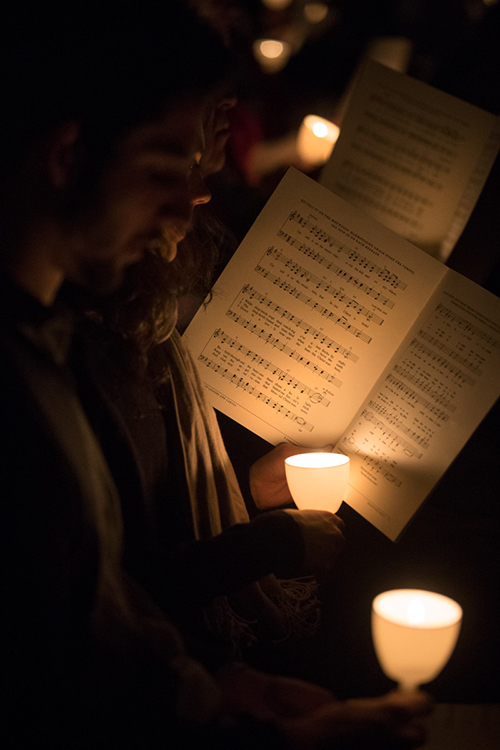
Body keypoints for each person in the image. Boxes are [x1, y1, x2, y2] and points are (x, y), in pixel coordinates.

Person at [0, 1, 432, 746]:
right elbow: (51, 696)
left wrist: (217, 689)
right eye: (167, 162)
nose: (190, 197)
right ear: (68, 157)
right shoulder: (19, 387)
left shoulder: (44, 345)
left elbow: (98, 624)